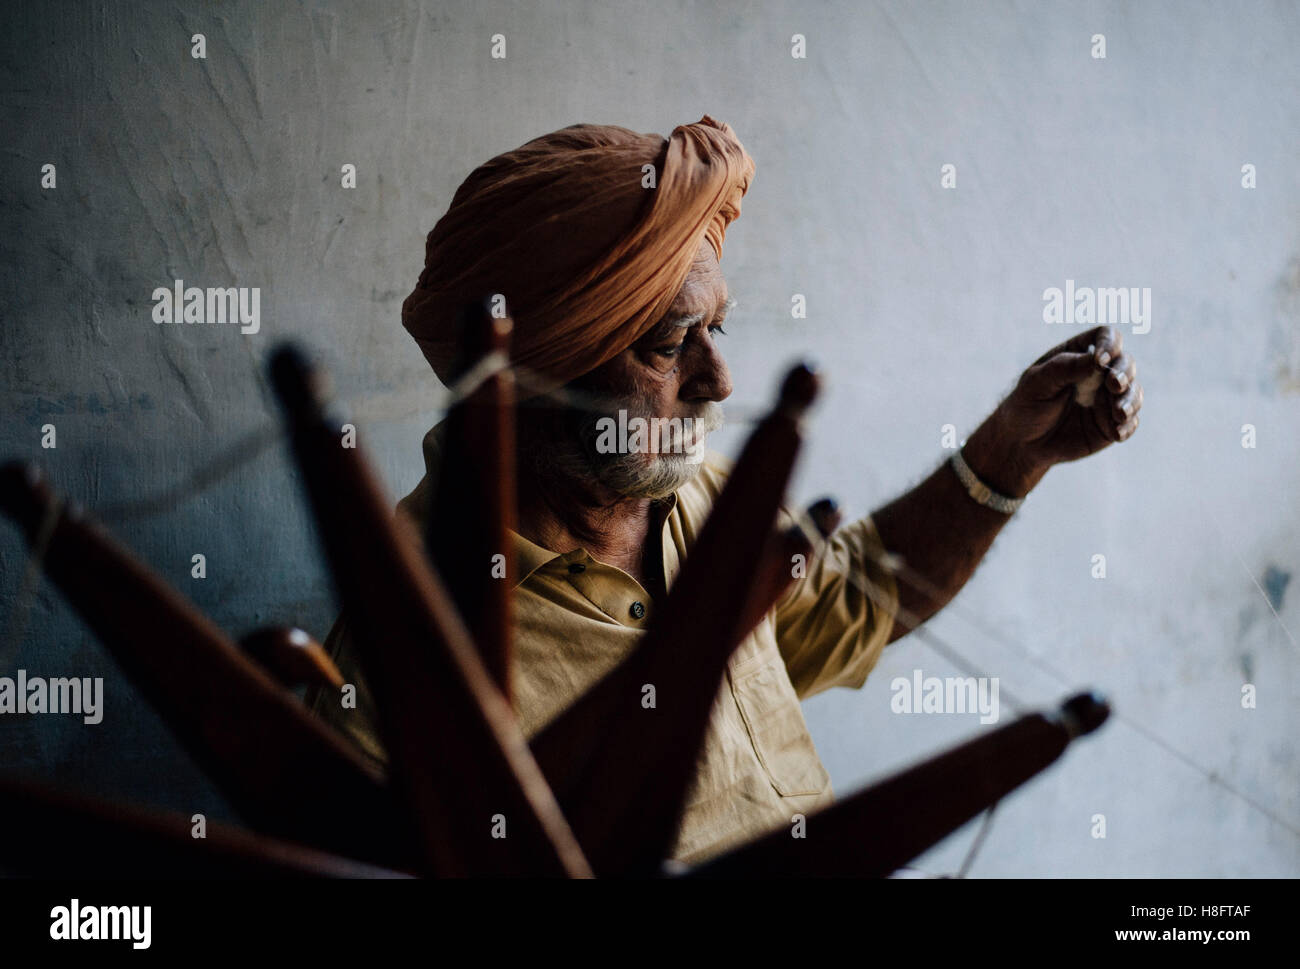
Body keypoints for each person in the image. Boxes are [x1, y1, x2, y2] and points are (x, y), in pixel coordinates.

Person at [308, 115, 1143, 866]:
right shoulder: (406, 663)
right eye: (672, 342)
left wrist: (1013, 451)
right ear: (534, 374)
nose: (720, 380)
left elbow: (863, 594)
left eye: (719, 327)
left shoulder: (705, 501)